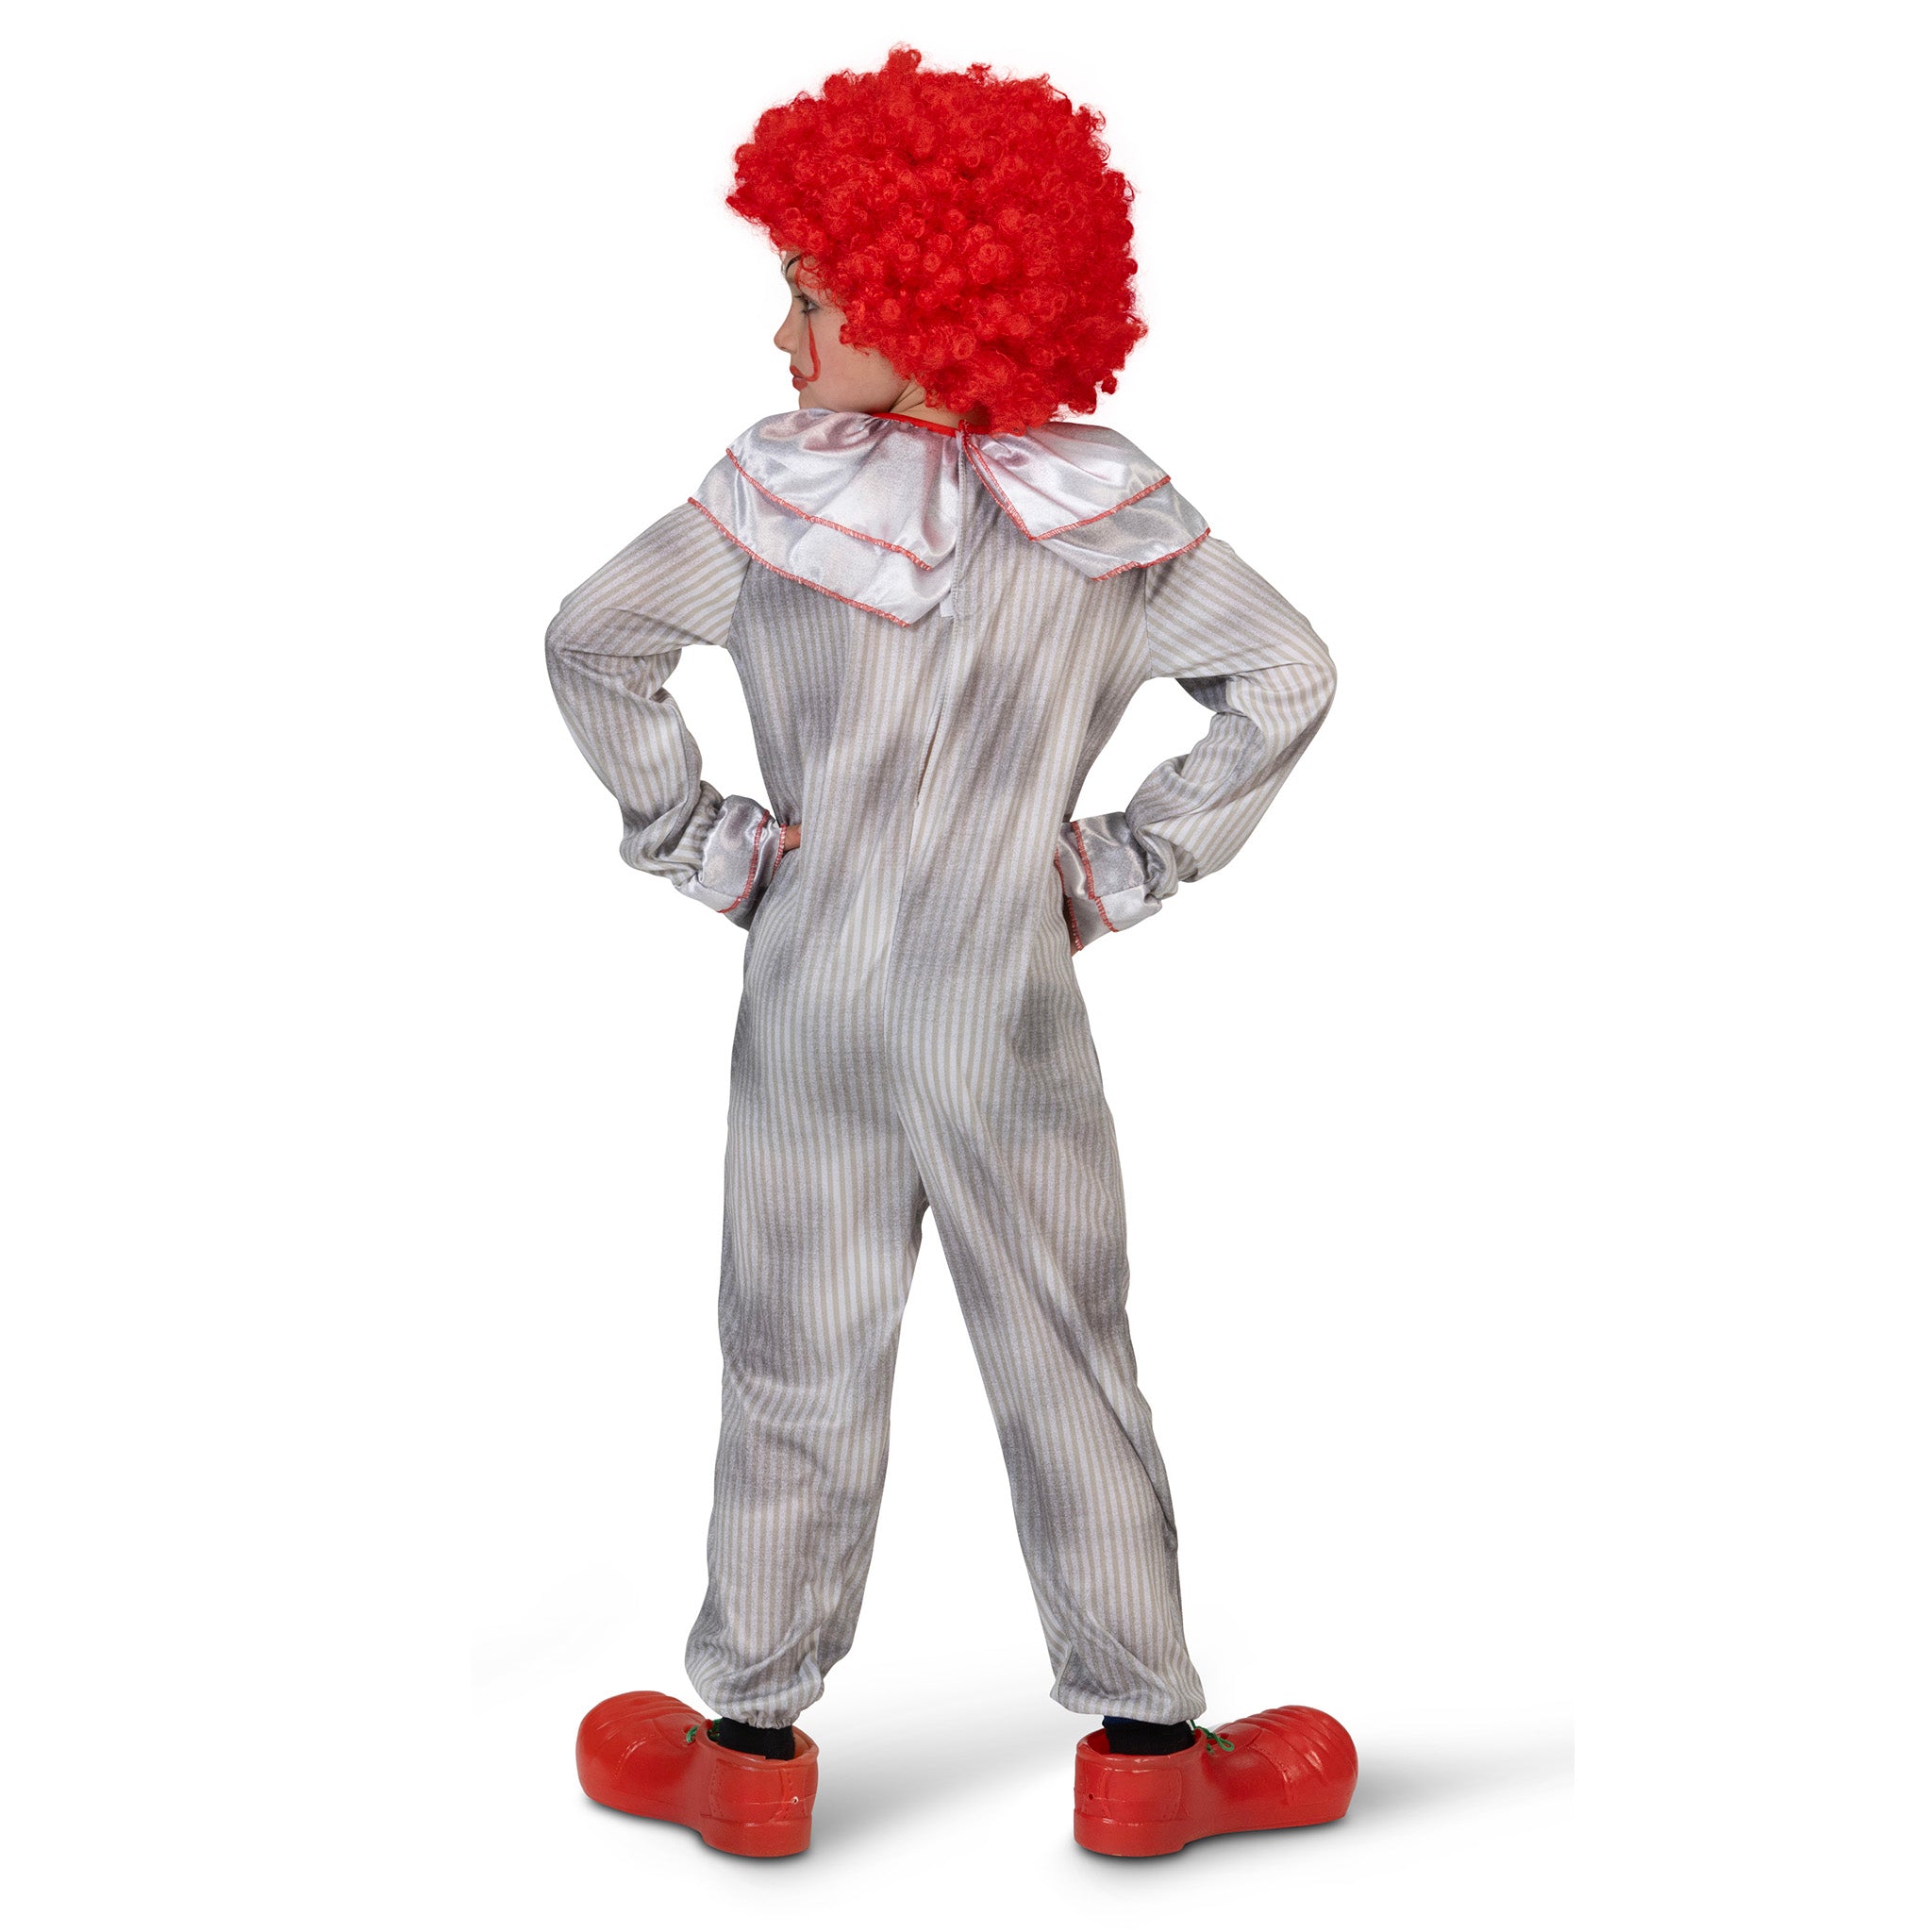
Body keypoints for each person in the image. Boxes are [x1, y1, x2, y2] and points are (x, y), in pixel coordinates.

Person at [549, 47, 1356, 1858]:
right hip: (1007, 995)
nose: (781, 338)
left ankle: (748, 1749)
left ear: (922, 298)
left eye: (812, 296)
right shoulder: (1111, 520)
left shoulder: (767, 503)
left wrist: (707, 844)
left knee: (793, 1345)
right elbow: (1288, 675)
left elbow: (592, 642)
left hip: (812, 987)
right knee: (1066, 1345)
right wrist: (1121, 866)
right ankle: (1148, 1753)